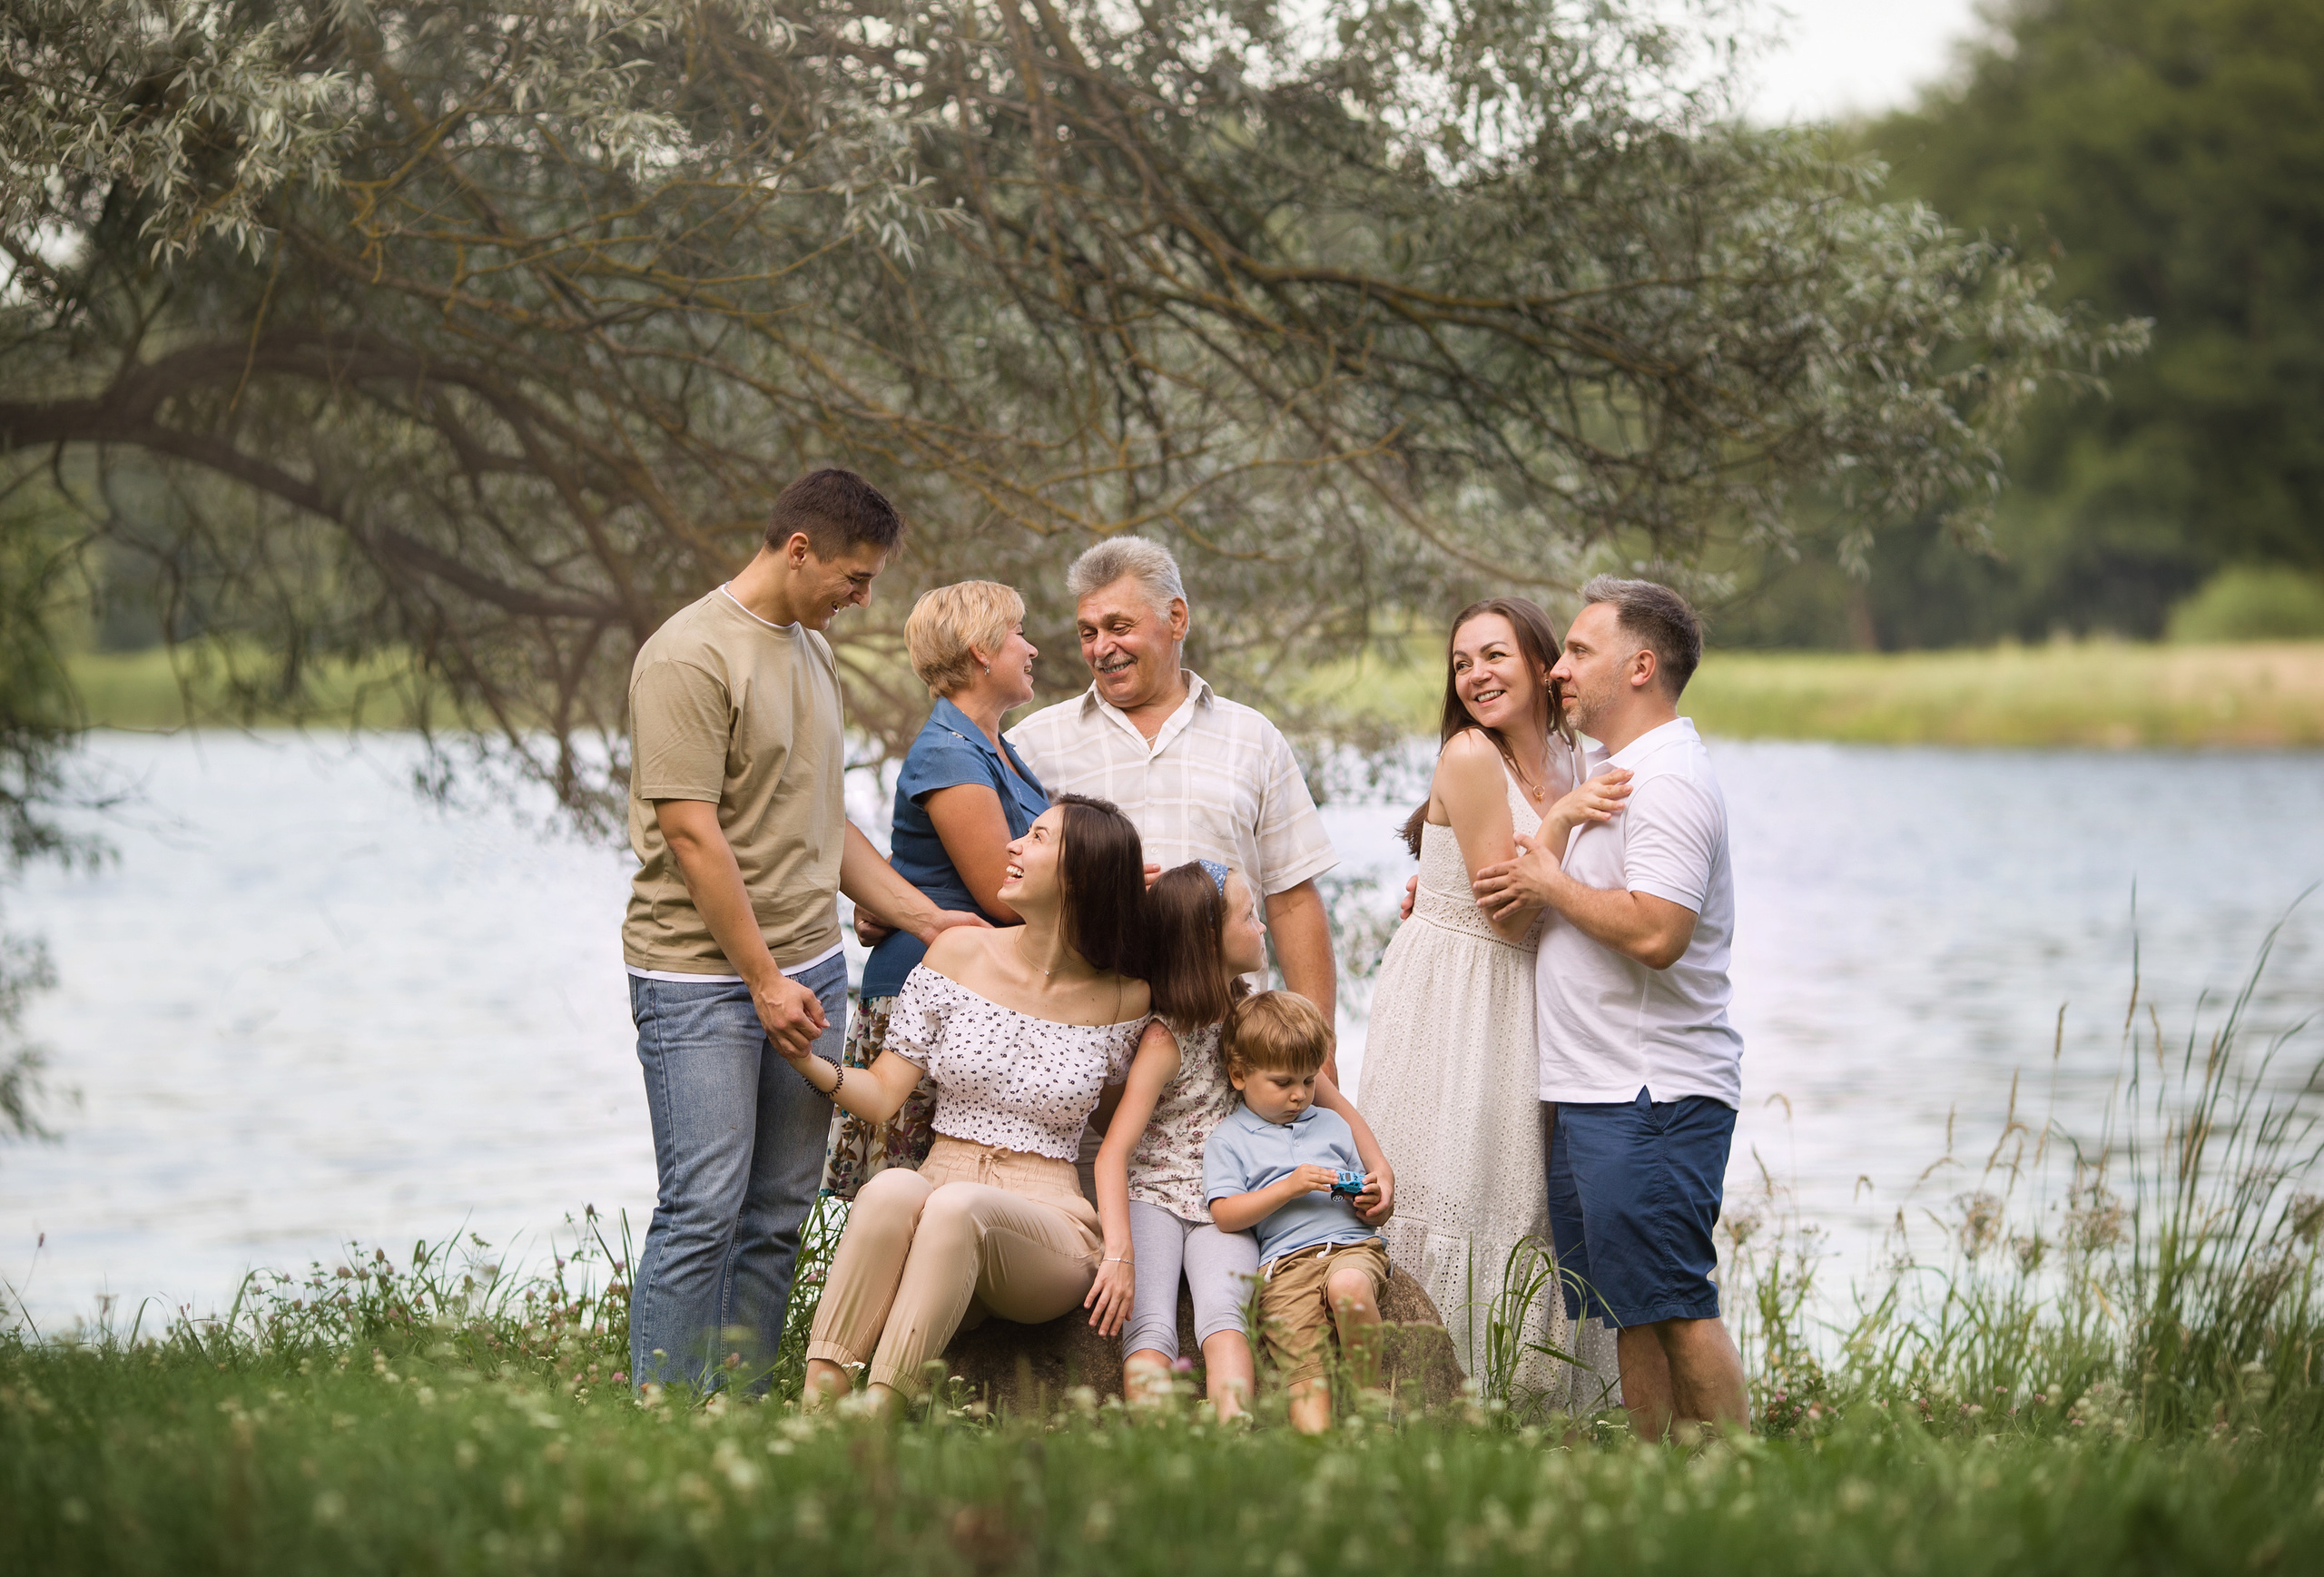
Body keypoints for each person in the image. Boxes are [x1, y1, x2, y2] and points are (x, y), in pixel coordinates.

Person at [620, 467, 988, 1393]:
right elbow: (691, 835)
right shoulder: (688, 656)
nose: (861, 600)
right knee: (703, 1206)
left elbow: (822, 823)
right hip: (702, 980)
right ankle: (664, 1413)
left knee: (778, 1210)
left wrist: (925, 917)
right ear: (798, 550)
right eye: (853, 579)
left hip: (809, 971)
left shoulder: (809, 648)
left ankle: (736, 1406)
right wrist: (760, 978)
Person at [1004, 536, 1395, 1209]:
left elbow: (1294, 901)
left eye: (1120, 626)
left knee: (1232, 1229)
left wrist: (1317, 1054)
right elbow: (1000, 877)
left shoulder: (1253, 738)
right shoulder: (1036, 742)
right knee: (1097, 1237)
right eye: (1088, 631)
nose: (1101, 647)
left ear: (1176, 619)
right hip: (1087, 1043)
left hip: (1226, 1056)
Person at [1472, 576, 1751, 1439]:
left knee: (1677, 1302)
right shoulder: (1609, 770)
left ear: (1640, 666)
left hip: (1653, 1093)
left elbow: (1661, 930)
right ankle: (1654, 1475)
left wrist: (1550, 884)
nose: (1558, 667)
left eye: (1579, 651)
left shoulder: (1667, 782)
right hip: (1601, 1091)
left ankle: (1741, 1482)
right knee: (1632, 1304)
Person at [793, 795, 1151, 1413]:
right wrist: (804, 1059)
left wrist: (1124, 1249)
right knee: (891, 1189)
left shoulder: (1125, 996)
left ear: (1082, 874)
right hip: (940, 1192)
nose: (1013, 846)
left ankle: (878, 1418)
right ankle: (817, 1406)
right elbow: (880, 1095)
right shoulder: (957, 952)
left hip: (1048, 1230)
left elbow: (1121, 1135)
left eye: (1037, 838)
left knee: (957, 1207)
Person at [1358, 598, 1630, 1409]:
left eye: (1492, 656)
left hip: (1538, 999)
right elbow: (1506, 910)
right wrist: (1563, 824)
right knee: (1459, 1181)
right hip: (1459, 995)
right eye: (1461, 663)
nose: (1474, 675)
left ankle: (1540, 1396)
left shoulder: (1573, 756)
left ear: (1542, 663)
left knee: (1528, 1198)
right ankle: (1425, 1393)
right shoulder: (1470, 755)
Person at [1088, 861, 1384, 1420]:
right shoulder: (1165, 1037)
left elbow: (1331, 1100)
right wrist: (1118, 1251)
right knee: (1148, 1323)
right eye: (1250, 916)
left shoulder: (1252, 1021)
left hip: (1225, 1206)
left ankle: (1232, 1439)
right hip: (1152, 1198)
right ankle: (1157, 1447)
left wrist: (1378, 1170)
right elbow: (1113, 1152)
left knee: (1224, 1317)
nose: (1264, 926)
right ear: (1207, 940)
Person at [822, 581, 1050, 1201]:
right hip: (924, 999)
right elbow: (1003, 896)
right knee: (915, 1198)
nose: (1031, 649)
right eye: (1018, 634)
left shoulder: (992, 746)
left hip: (969, 990)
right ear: (981, 649)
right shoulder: (949, 754)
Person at [1204, 991, 1389, 1434]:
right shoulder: (1228, 1139)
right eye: (1283, 1082)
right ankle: (1316, 1451)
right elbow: (1227, 1214)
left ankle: (1371, 1418)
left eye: (1308, 1081)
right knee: (1305, 1368)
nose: (1299, 1095)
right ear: (1238, 1075)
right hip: (1283, 1267)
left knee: (1349, 1290)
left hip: (1350, 1246)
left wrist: (1368, 1202)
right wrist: (1288, 1187)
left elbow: (1373, 1202)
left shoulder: (1332, 1124)